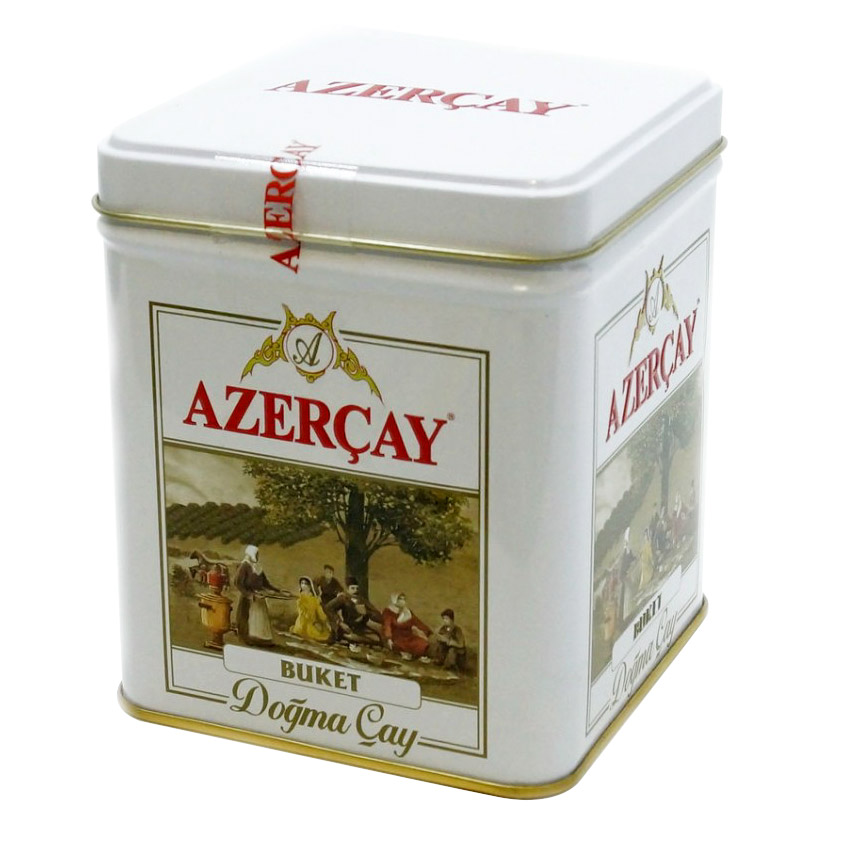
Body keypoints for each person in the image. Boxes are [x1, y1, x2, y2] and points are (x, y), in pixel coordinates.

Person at [235, 545, 281, 647]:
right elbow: (238, 583)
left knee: (261, 619)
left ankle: (262, 639)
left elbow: (265, 583)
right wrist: (249, 595)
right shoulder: (244, 566)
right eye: (256, 554)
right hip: (248, 598)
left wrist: (276, 590)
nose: (257, 556)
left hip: (259, 597)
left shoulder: (258, 567)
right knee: (248, 619)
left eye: (257, 554)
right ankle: (248, 638)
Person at [326, 578, 382, 649]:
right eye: (352, 588)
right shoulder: (343, 598)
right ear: (347, 589)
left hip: (360, 627)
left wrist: (367, 612)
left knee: (376, 638)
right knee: (350, 636)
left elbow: (375, 612)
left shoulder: (361, 599)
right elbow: (328, 608)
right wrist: (340, 622)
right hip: (348, 626)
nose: (355, 591)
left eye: (357, 588)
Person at [382, 593, 431, 659]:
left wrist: (427, 631)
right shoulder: (388, 612)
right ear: (395, 600)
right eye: (400, 599)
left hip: (408, 636)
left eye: (404, 599)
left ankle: (413, 656)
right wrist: (389, 638)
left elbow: (417, 622)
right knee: (398, 645)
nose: (402, 601)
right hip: (397, 637)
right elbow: (387, 626)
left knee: (422, 643)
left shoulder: (407, 612)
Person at [290, 577, 332, 643]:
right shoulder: (300, 599)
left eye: (306, 584)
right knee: (309, 633)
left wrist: (324, 622)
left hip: (312, 623)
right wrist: (314, 622)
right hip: (303, 622)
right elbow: (303, 612)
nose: (303, 585)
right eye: (302, 583)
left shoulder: (315, 599)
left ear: (310, 586)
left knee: (324, 633)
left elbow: (320, 612)